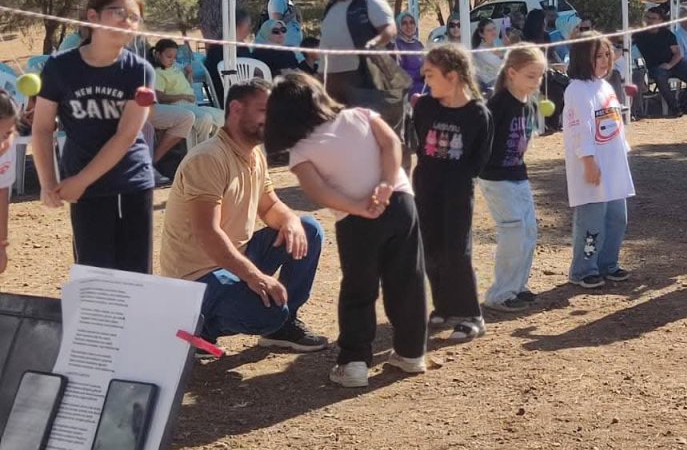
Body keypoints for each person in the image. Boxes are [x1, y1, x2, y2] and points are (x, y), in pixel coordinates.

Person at [265, 73, 426, 388]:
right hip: (401, 203)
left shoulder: (301, 151)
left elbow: (319, 192)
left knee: (358, 289)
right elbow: (392, 144)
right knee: (408, 280)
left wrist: (360, 208)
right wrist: (386, 184)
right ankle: (411, 353)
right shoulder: (360, 114)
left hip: (356, 223)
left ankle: (354, 363)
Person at [157, 79, 327, 352]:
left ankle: (282, 328)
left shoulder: (254, 153)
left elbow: (270, 207)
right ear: (236, 109)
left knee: (309, 228)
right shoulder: (208, 158)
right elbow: (207, 233)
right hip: (198, 276)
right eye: (264, 111)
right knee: (266, 313)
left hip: (236, 255)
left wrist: (290, 220)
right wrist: (254, 276)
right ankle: (195, 328)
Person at [32, 0, 155, 273]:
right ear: (93, 16)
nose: (127, 23)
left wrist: (81, 180)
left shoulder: (140, 70)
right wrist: (48, 182)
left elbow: (125, 136)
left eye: (134, 18)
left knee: (136, 276)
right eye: (119, 13)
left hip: (130, 184)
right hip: (85, 189)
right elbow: (41, 128)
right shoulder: (59, 67)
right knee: (94, 275)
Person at [412, 44, 493, 341]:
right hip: (425, 187)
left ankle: (471, 315)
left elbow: (478, 160)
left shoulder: (478, 114)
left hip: (457, 192)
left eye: (431, 75)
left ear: (454, 76)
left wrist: (453, 178)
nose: (425, 80)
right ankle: (444, 307)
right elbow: (419, 143)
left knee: (457, 250)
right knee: (431, 247)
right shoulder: (424, 107)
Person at [478, 46, 548, 311]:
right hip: (496, 177)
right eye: (531, 76)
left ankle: (518, 286)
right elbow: (482, 140)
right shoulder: (498, 105)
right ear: (511, 73)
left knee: (529, 229)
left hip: (518, 173)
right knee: (513, 229)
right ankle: (500, 293)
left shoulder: (526, 104)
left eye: (539, 76)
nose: (537, 81)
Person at [562, 32, 634, 287]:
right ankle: (584, 268)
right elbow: (579, 129)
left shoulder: (605, 85)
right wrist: (589, 161)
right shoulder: (577, 90)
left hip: (613, 166)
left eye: (606, 55)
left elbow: (613, 124)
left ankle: (608, 263)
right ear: (583, 58)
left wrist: (622, 152)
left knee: (616, 218)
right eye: (598, 56)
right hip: (593, 168)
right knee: (592, 222)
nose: (605, 60)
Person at [317, 0, 396, 105]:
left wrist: (375, 42)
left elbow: (390, 29)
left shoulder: (370, 0)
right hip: (330, 80)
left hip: (360, 79)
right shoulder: (332, 5)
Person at [150, 39, 223, 147]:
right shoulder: (159, 73)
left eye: (174, 57)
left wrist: (189, 74)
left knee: (222, 116)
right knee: (205, 118)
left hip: (190, 104)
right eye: (169, 57)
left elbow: (187, 85)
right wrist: (183, 96)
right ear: (158, 55)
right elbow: (161, 97)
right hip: (178, 107)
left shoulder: (176, 68)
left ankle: (215, 148)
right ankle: (201, 150)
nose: (172, 60)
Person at [633, 7, 687, 117]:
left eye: (654, 18)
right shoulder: (639, 35)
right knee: (660, 77)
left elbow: (678, 53)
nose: (650, 20)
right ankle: (675, 108)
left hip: (674, 64)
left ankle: (682, 103)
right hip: (656, 67)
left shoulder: (667, 34)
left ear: (661, 21)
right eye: (648, 17)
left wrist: (670, 65)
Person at [204, 8, 255, 107]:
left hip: (244, 89)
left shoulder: (242, 46)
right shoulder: (218, 49)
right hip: (229, 95)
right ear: (237, 26)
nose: (249, 29)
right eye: (248, 25)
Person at [0, 92, 18, 272]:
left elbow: (2, 192)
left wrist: (1, 245)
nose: (1, 145)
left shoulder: (6, 153)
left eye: (7, 134)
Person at [394, 12, 427, 97]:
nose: (409, 26)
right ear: (398, 26)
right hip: (407, 89)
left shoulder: (418, 44)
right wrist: (418, 73)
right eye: (404, 23)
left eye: (412, 22)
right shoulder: (396, 45)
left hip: (424, 83)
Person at [471, 18, 504, 93]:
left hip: (500, 77)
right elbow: (501, 65)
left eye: (494, 28)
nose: (493, 32)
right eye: (489, 30)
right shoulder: (481, 51)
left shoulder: (497, 42)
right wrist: (502, 55)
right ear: (481, 34)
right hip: (490, 82)